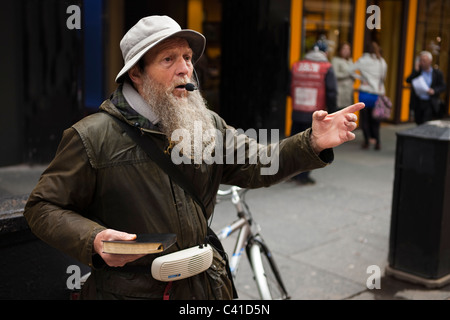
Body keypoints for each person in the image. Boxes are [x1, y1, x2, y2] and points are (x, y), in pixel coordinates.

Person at [24, 15, 364, 300]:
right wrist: (93, 240)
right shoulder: (91, 136)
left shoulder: (205, 123)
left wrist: (312, 142)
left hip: (205, 288)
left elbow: (260, 163)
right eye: (168, 59)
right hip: (130, 293)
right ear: (136, 74)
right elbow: (42, 208)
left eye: (187, 57)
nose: (185, 69)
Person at [290, 39, 337, 185]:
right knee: (310, 146)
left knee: (293, 143)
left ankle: (291, 173)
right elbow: (332, 92)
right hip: (315, 114)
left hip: (297, 111)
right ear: (325, 53)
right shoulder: (326, 67)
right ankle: (303, 177)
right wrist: (333, 112)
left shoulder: (297, 66)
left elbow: (288, 88)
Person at [351, 41, 387, 150]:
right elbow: (383, 78)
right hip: (377, 95)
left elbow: (350, 70)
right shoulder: (382, 62)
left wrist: (362, 78)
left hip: (364, 94)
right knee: (376, 120)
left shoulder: (362, 60)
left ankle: (366, 141)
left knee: (365, 119)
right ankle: (377, 142)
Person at [406, 51, 446, 125]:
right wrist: (416, 71)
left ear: (430, 61)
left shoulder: (437, 73)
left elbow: (443, 86)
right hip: (418, 103)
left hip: (430, 103)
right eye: (420, 60)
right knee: (418, 123)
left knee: (426, 124)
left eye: (424, 60)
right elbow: (408, 80)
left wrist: (434, 90)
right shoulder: (418, 71)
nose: (422, 62)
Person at [332, 42, 354, 110]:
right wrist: (347, 74)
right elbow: (334, 74)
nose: (346, 51)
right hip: (340, 93)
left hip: (349, 92)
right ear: (340, 50)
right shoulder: (335, 60)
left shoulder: (350, 60)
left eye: (348, 49)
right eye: (344, 49)